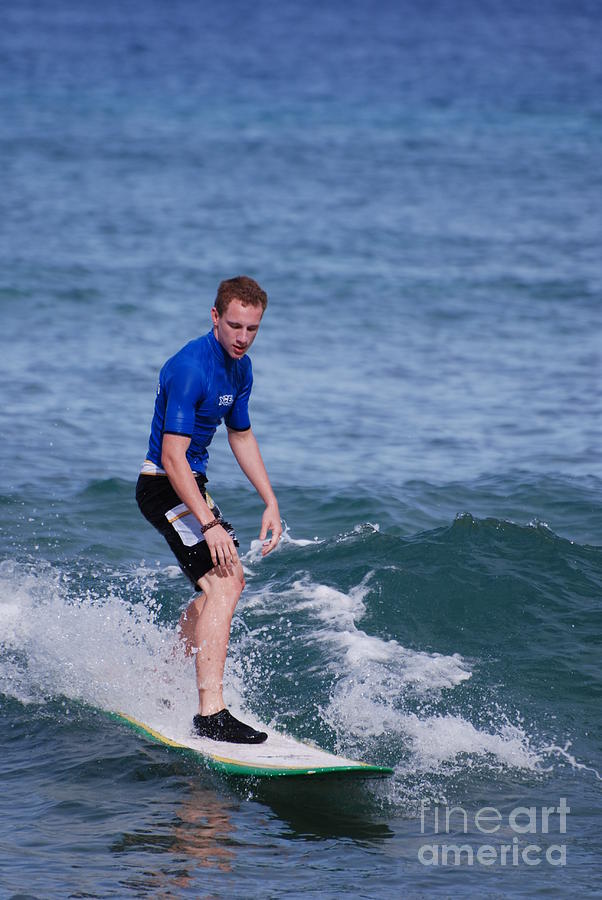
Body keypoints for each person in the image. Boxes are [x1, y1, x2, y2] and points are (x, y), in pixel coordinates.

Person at [136, 276, 282, 744]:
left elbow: (240, 435)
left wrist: (270, 500)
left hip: (191, 486)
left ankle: (160, 678)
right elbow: (173, 459)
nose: (243, 337)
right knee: (226, 581)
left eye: (252, 329)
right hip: (163, 485)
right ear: (214, 317)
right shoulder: (189, 367)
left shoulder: (242, 369)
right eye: (235, 325)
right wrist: (211, 522)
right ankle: (210, 713)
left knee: (218, 587)